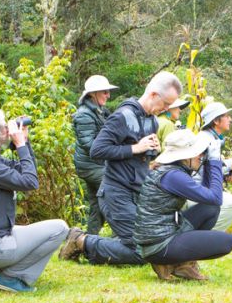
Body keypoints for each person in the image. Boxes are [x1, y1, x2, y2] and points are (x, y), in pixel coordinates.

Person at [59, 71, 182, 265]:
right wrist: (135, 148)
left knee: (151, 244)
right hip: (116, 193)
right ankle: (82, 241)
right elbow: (97, 150)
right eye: (165, 104)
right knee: (142, 251)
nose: (167, 108)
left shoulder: (152, 120)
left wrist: (152, 152)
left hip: (137, 192)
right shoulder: (123, 116)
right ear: (153, 95)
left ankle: (95, 242)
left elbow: (140, 158)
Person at [0, 108, 70, 293]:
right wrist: (19, 146)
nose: (7, 128)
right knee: (60, 228)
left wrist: (24, 143)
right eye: (3, 126)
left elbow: (26, 170)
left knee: (31, 231)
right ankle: (12, 277)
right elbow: (30, 182)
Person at [133, 129, 232, 280]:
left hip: (158, 235)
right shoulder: (174, 176)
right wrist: (214, 161)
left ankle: (180, 264)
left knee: (210, 209)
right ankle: (170, 262)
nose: (200, 155)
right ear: (185, 156)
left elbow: (209, 199)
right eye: (198, 153)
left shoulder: (172, 171)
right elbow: (216, 197)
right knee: (228, 241)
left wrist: (208, 164)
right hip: (158, 245)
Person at [187, 102, 232, 231]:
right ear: (216, 121)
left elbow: (209, 170)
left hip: (201, 189)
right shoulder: (205, 139)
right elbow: (200, 170)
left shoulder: (211, 137)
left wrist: (224, 176)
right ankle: (205, 238)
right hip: (195, 192)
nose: (230, 119)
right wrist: (229, 166)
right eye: (226, 116)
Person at [73, 75, 117, 235]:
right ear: (93, 94)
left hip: (94, 165)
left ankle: (87, 242)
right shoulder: (84, 114)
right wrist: (113, 152)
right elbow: (89, 145)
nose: (108, 95)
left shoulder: (99, 111)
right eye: (105, 92)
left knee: (97, 206)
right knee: (115, 193)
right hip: (91, 167)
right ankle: (120, 239)